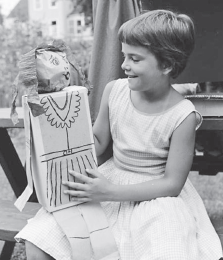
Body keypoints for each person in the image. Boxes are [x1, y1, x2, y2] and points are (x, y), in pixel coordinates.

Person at [15, 9, 223, 260]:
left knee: (165, 245)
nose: (124, 65)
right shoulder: (114, 91)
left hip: (156, 197)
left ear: (167, 64)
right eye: (124, 56)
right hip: (109, 179)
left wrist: (110, 192)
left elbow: (172, 184)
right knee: (42, 239)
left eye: (135, 59)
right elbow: (99, 142)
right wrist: (58, 126)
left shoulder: (183, 115)